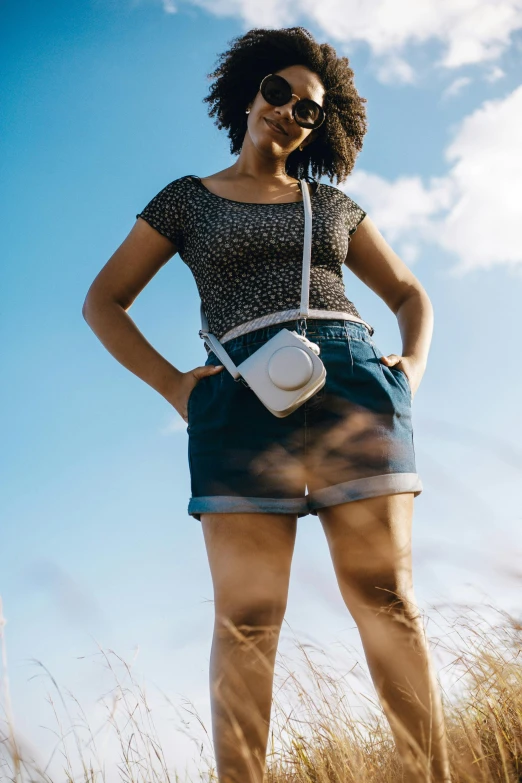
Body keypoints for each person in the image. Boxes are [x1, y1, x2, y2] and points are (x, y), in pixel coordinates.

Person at [82, 26, 451, 783]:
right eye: (277, 92)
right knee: (247, 622)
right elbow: (103, 302)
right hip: (239, 400)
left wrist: (410, 366)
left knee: (387, 600)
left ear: (322, 126)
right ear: (250, 93)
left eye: (307, 109)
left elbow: (412, 293)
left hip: (353, 385)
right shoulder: (186, 200)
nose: (286, 111)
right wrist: (176, 386)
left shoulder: (333, 204)